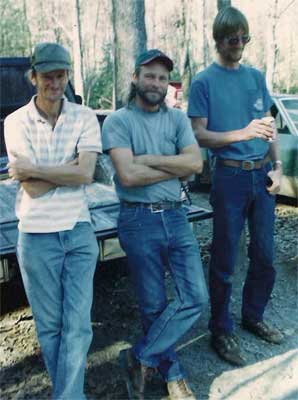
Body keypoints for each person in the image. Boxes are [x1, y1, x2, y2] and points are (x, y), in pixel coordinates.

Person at [102, 49, 208, 399]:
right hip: (138, 219)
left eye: (162, 78)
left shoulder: (177, 120)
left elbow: (195, 164)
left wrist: (149, 159)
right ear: (135, 77)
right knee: (153, 305)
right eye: (149, 75)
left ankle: (139, 356)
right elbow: (128, 175)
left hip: (177, 216)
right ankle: (173, 375)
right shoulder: (118, 121)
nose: (156, 83)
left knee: (195, 296)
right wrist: (172, 164)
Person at [188, 7, 284, 367]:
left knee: (265, 254)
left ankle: (253, 315)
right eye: (233, 39)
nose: (240, 45)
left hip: (262, 177)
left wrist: (277, 167)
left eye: (245, 38)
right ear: (218, 40)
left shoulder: (256, 77)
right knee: (226, 257)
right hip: (229, 176)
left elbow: (268, 125)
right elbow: (199, 134)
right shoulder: (203, 82)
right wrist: (242, 133)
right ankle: (221, 328)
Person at [4, 42, 101, 398]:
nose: (54, 83)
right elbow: (32, 190)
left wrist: (35, 170)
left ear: (67, 76)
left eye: (60, 75)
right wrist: (68, 169)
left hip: (78, 231)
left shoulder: (85, 116)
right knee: (51, 328)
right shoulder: (15, 122)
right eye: (47, 76)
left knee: (78, 327)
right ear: (33, 77)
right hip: (36, 236)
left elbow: (87, 173)